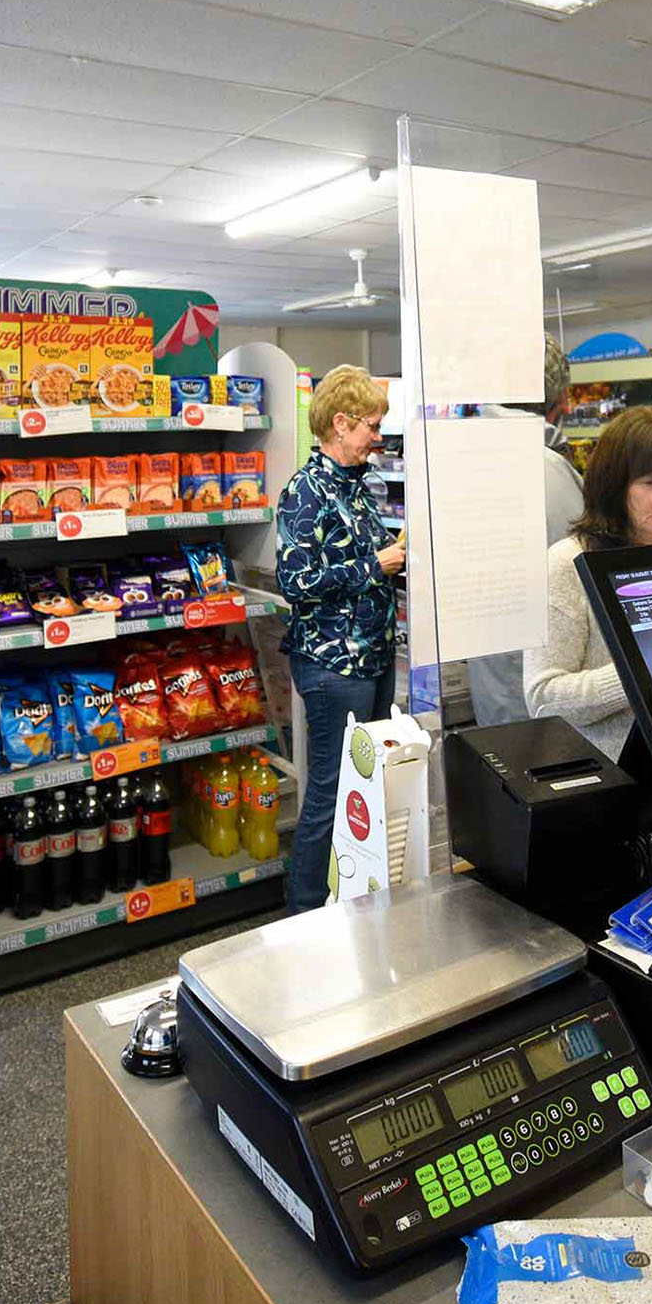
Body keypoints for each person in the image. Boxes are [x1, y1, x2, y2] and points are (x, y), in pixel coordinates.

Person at [274, 365, 404, 912]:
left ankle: (348, 899)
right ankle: (302, 912)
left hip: (373, 657)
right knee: (330, 791)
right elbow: (296, 582)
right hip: (333, 665)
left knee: (363, 790)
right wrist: (376, 564)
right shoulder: (305, 491)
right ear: (340, 423)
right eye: (372, 426)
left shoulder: (357, 487)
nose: (378, 437)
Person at [524, 407, 652, 755]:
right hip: (612, 772)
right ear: (615, 486)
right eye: (651, 482)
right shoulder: (567, 564)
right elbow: (542, 699)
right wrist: (639, 674)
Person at [466, 338, 589, 727]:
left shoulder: (469, 458)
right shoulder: (547, 470)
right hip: (542, 677)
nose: (567, 407)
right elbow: (580, 571)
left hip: (493, 666)